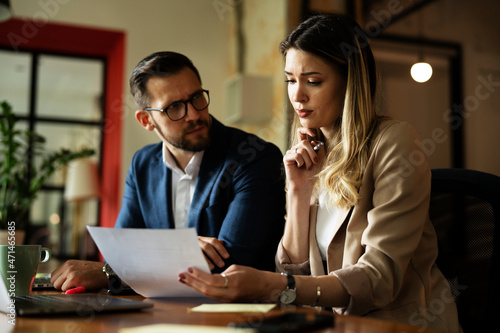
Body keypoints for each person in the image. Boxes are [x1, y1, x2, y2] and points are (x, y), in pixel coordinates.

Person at [179, 13, 462, 332]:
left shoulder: (393, 141)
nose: (297, 96)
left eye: (313, 81)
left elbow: (379, 280)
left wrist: (273, 285)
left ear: (349, 81)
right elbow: (292, 269)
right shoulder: (311, 148)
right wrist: (299, 191)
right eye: (290, 79)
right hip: (330, 325)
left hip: (397, 326)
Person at [51, 51, 286, 292]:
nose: (194, 114)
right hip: (156, 314)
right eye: (174, 108)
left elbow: (229, 268)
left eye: (197, 97)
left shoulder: (256, 157)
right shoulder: (141, 164)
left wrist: (112, 271)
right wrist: (185, 252)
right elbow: (120, 250)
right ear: (146, 120)